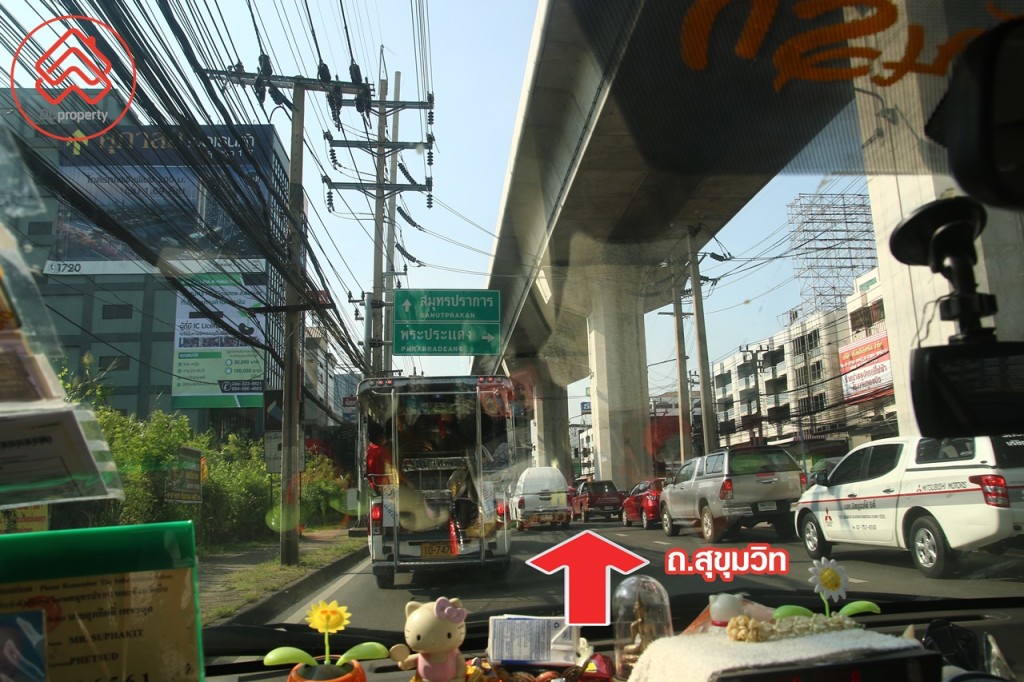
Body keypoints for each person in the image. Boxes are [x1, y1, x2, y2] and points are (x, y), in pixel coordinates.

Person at [366, 421, 394, 494]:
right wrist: (407, 482)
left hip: (374, 485)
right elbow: (390, 469)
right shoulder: (381, 451)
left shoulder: (370, 449)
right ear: (379, 437)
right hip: (385, 486)